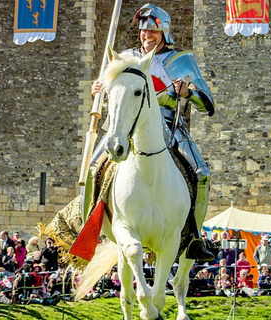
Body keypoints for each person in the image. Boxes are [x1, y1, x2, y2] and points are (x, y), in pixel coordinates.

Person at [91, 3, 215, 261]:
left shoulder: (181, 61)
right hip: (128, 125)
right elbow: (112, 98)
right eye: (143, 32)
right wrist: (101, 91)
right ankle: (88, 228)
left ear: (164, 33)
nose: (147, 36)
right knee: (94, 167)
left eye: (153, 32)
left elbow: (208, 105)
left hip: (168, 124)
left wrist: (187, 93)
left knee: (202, 172)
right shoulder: (125, 59)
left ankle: (193, 237)